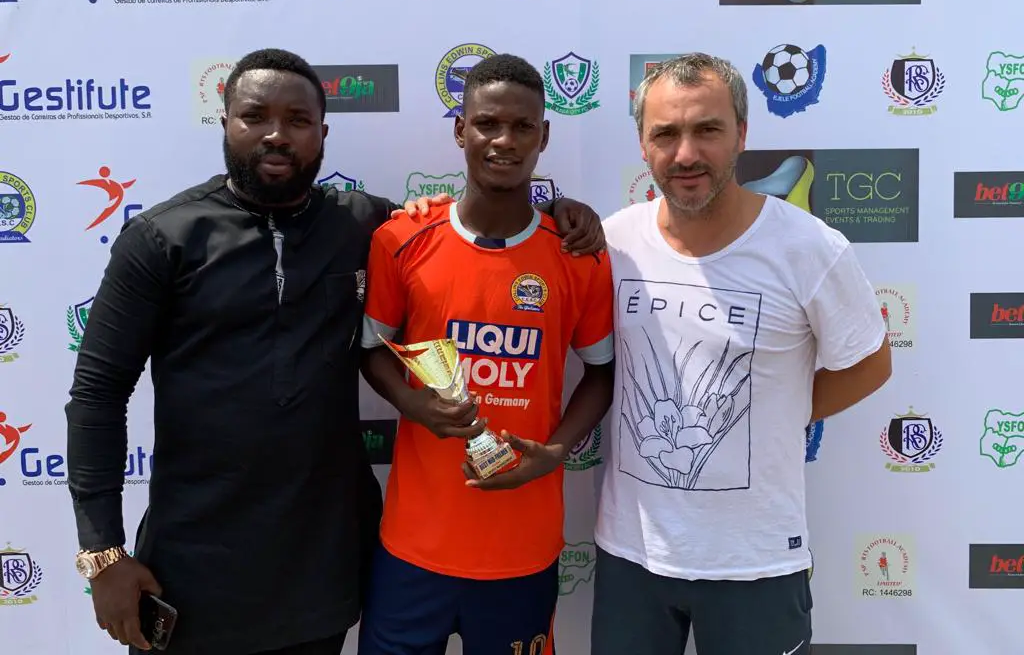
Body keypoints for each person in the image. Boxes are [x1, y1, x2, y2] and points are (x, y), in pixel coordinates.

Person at [65, 47, 605, 655]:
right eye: (254, 116)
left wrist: (561, 213)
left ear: (323, 134)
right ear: (226, 122)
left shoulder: (363, 225)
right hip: (195, 565)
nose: (276, 134)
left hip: (322, 570)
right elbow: (97, 396)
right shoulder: (162, 238)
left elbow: (478, 223)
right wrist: (102, 552)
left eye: (298, 120)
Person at [592, 53, 892, 655]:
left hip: (755, 560)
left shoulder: (809, 247)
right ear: (643, 144)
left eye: (707, 129)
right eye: (666, 134)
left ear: (742, 134)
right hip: (633, 555)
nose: (686, 154)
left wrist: (774, 410)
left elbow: (870, 364)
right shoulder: (614, 241)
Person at [357, 54, 616, 655]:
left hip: (521, 551)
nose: (504, 140)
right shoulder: (401, 240)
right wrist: (414, 406)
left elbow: (601, 374)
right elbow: (370, 352)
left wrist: (556, 452)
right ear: (460, 130)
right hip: (413, 547)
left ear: (543, 136)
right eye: (487, 124)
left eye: (522, 127)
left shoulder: (578, 255)